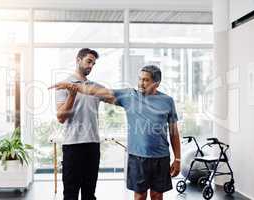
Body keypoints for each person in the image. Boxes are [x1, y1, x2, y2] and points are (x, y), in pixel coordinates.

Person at [50, 65, 181, 200]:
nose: (141, 83)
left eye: (146, 80)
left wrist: (177, 158)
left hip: (161, 157)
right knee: (140, 196)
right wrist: (72, 86)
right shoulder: (129, 96)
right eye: (140, 79)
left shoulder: (167, 101)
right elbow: (98, 92)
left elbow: (174, 132)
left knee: (157, 195)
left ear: (156, 83)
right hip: (137, 157)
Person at [54, 48, 106, 200]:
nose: (91, 66)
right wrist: (72, 95)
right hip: (73, 145)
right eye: (88, 61)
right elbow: (61, 117)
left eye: (93, 63)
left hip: (93, 145)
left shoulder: (96, 88)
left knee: (89, 194)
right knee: (71, 194)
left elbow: (116, 97)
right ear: (78, 60)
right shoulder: (64, 85)